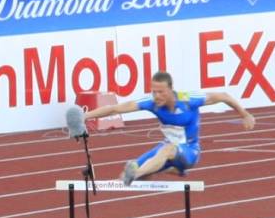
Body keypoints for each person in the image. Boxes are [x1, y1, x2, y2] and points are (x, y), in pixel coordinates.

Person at [81, 72, 255, 181]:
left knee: (164, 152)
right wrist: (85, 116)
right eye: (153, 91)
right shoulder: (151, 103)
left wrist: (244, 114)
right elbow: (115, 108)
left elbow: (224, 96)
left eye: (161, 91)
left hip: (190, 151)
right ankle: (171, 169)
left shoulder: (188, 99)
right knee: (130, 177)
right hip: (167, 148)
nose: (156, 96)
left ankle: (141, 171)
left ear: (171, 90)